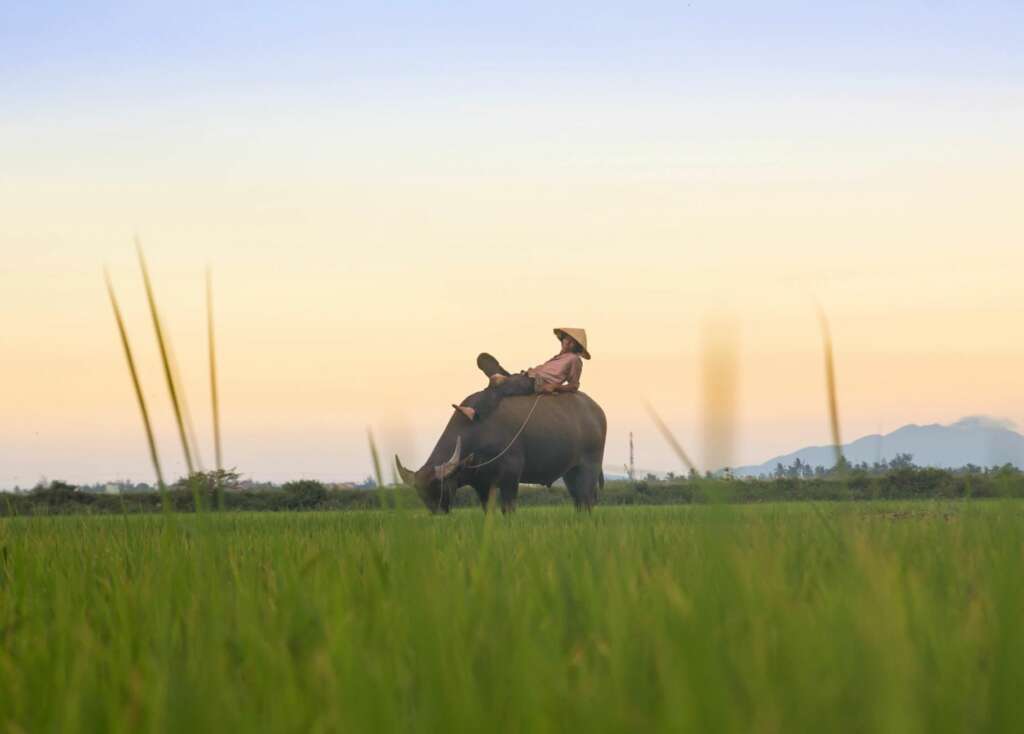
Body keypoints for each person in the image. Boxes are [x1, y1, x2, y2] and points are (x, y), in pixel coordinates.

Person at [453, 328, 590, 422]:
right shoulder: (559, 357)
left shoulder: (574, 359)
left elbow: (574, 385)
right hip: (522, 377)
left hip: (533, 382)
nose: (567, 342)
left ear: (576, 346)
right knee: (484, 358)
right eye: (566, 339)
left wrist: (554, 386)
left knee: (501, 387)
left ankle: (475, 413)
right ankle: (498, 377)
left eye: (572, 342)